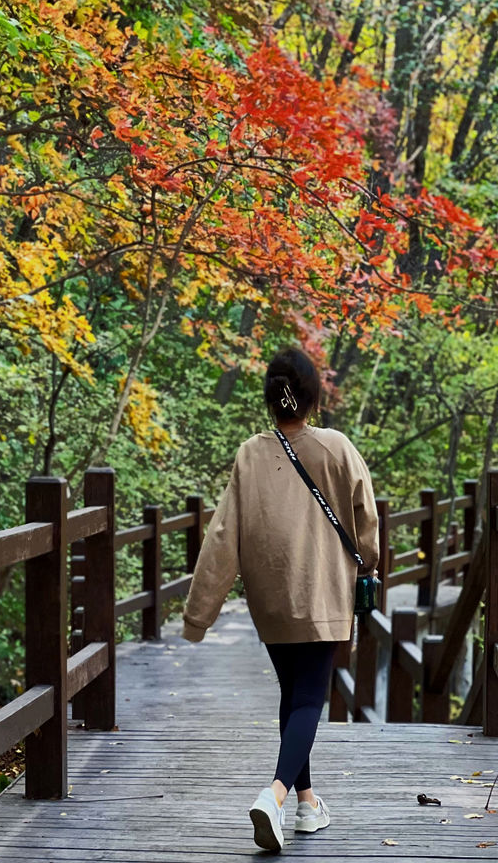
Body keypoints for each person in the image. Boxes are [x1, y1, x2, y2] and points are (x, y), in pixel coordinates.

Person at [181, 346, 380, 852]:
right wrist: (369, 564)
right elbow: (367, 525)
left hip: (270, 597)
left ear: (272, 400)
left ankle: (308, 805)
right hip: (322, 593)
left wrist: (197, 613)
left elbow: (223, 535)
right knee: (312, 697)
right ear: (312, 399)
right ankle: (273, 795)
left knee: (293, 696)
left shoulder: (250, 453)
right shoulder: (336, 447)